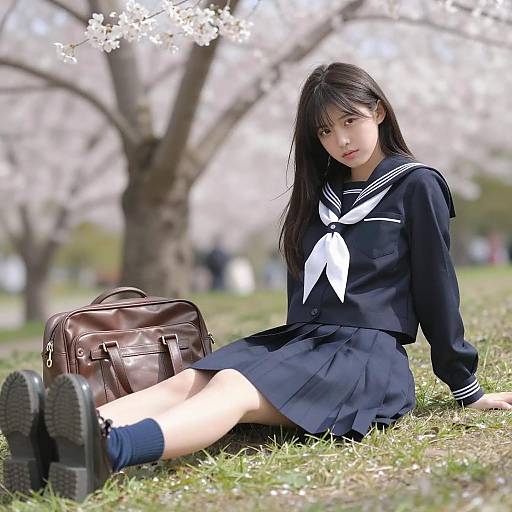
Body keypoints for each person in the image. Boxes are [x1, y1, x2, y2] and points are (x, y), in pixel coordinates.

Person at [2, 62, 511, 502]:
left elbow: (437, 287)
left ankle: (109, 451)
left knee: (231, 387)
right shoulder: (321, 194)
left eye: (350, 121)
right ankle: (56, 441)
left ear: (378, 111)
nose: (341, 141)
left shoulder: (416, 185)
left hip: (368, 362)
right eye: (326, 132)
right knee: (191, 379)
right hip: (307, 343)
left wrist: (464, 385)